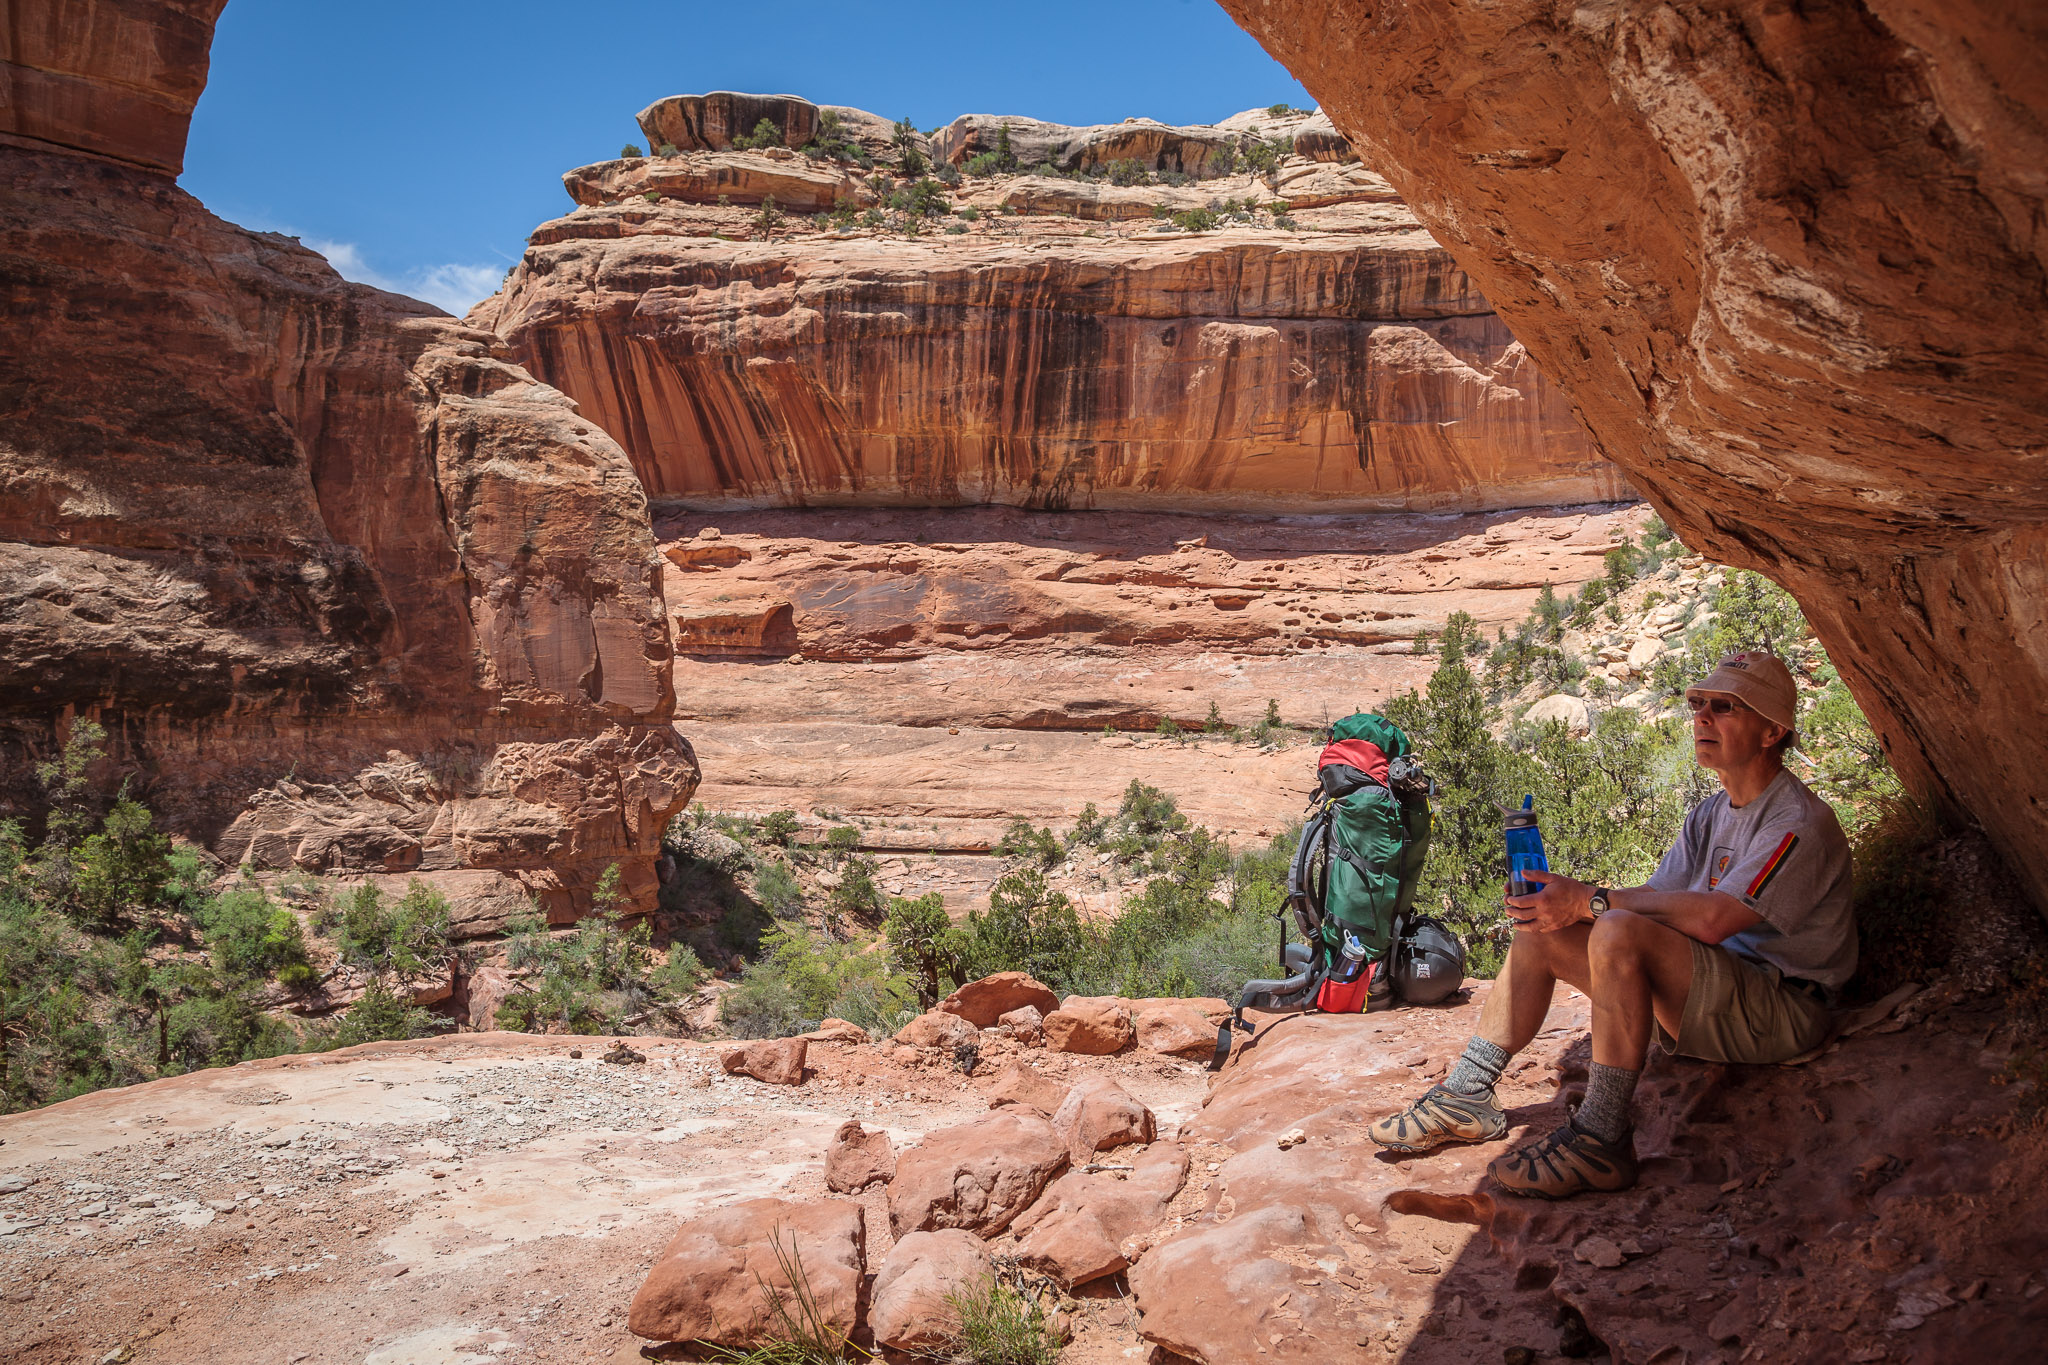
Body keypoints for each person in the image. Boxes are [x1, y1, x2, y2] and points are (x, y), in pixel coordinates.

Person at [1368, 651, 1854, 1198]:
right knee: (1545, 926)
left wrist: (1592, 903)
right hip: (1716, 991)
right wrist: (1566, 900)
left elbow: (1717, 919)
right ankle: (1467, 1094)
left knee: (1614, 927)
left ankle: (1602, 1139)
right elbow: (1656, 897)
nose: (1702, 718)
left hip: (1781, 1010)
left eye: (1726, 708)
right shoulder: (1712, 812)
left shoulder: (1796, 823)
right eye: (1698, 704)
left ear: (1773, 732)